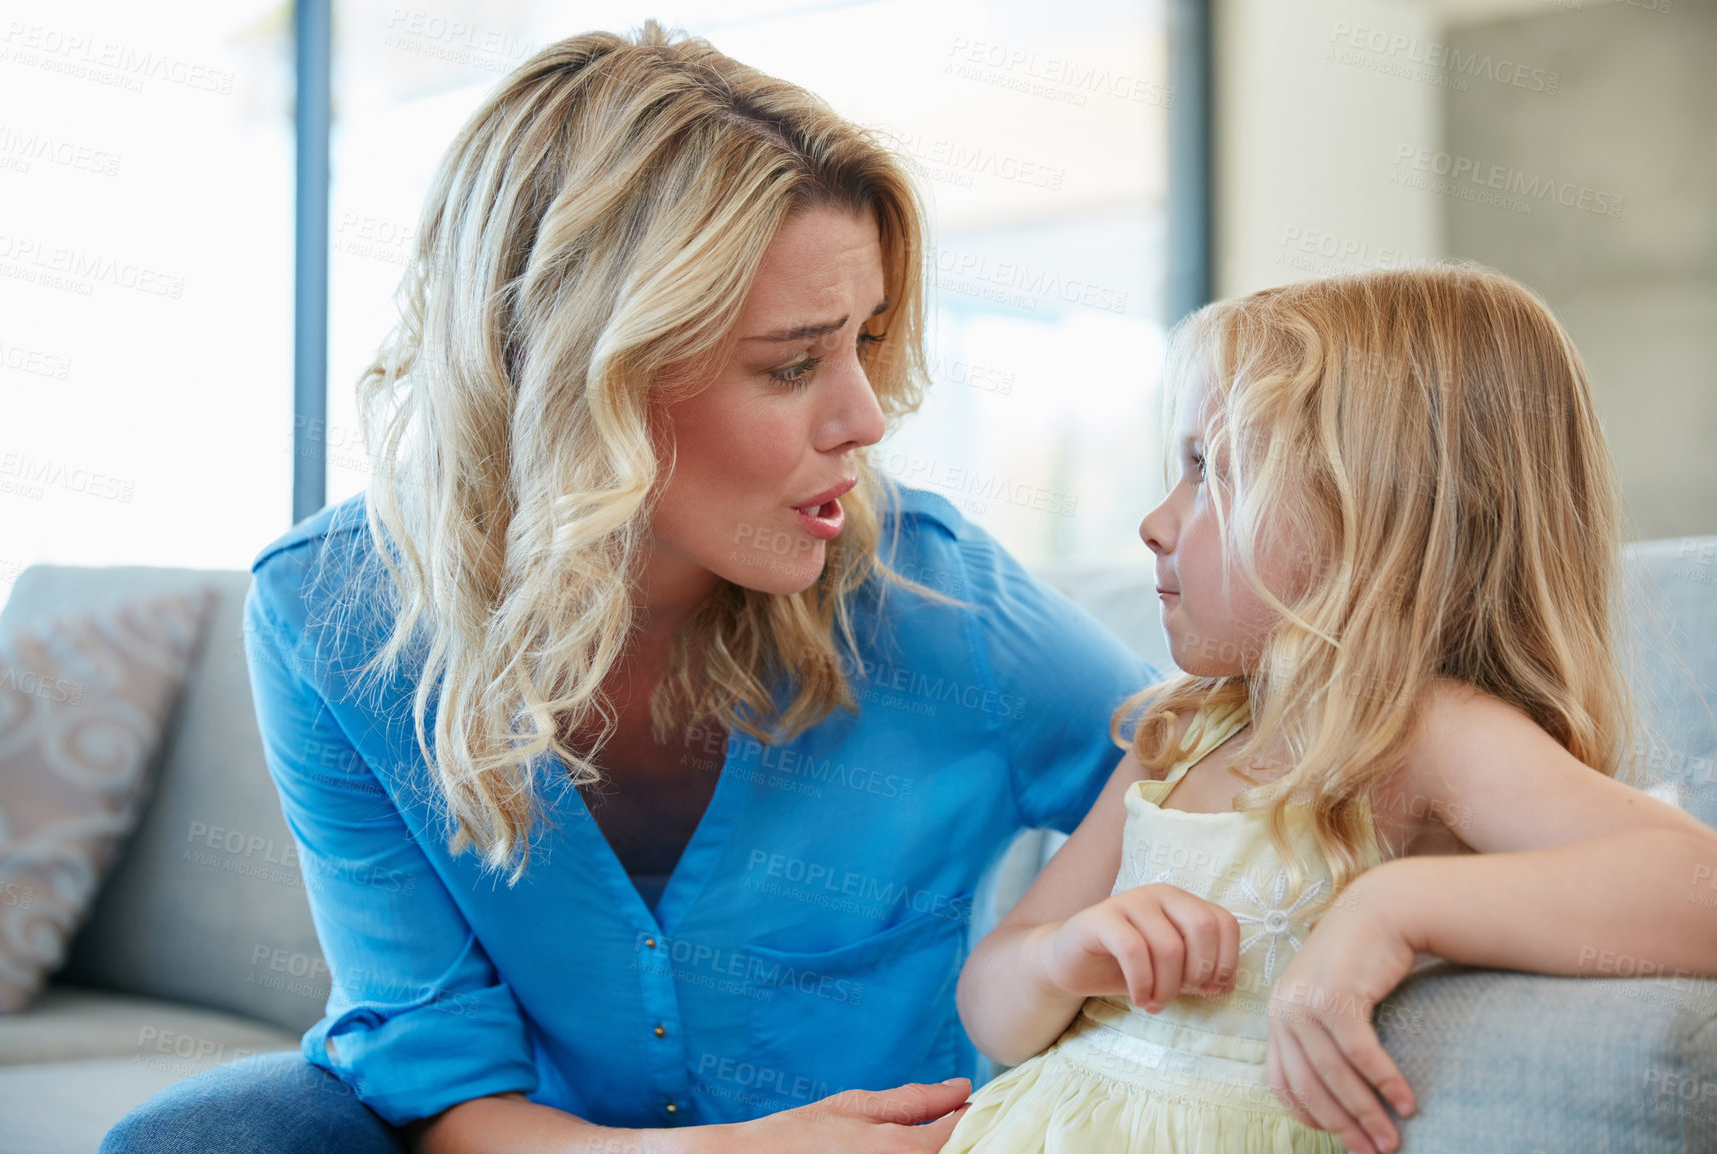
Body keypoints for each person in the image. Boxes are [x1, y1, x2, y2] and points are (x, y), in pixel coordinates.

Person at [100, 20, 1156, 1154]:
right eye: (792, 363)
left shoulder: (938, 602)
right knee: (215, 1131)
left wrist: (1046, 971)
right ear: (574, 372)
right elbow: (435, 1077)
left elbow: (1210, 760)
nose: (865, 417)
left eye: (866, 340)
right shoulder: (333, 616)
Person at [942, 265, 1717, 1154]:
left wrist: (1392, 906)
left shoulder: (1425, 735)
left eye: (1209, 470)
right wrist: (1063, 955)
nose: (1155, 521)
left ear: (1378, 514)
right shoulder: (1184, 735)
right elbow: (992, 1006)